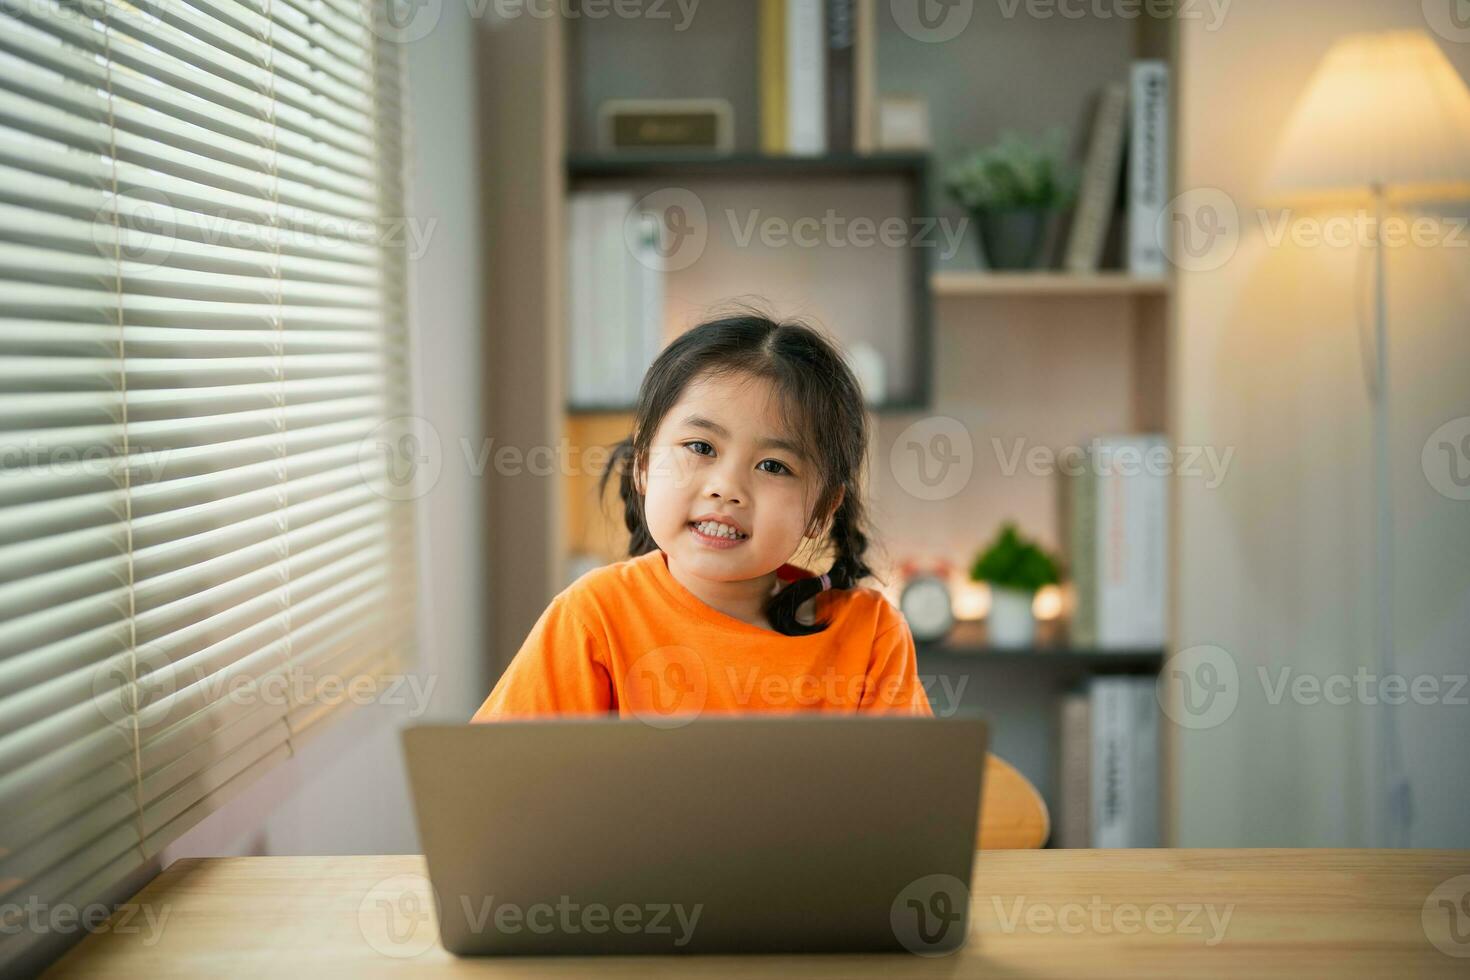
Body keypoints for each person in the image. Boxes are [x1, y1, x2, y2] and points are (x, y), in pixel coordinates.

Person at [471, 309, 933, 722]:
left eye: (774, 466)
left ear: (822, 510)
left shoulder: (870, 637)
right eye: (701, 447)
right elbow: (496, 785)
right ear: (645, 464)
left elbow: (910, 805)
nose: (727, 488)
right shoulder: (594, 616)